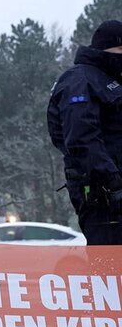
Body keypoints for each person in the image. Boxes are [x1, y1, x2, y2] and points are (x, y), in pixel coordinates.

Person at [48, 19, 122, 245]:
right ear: (110, 48)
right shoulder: (80, 81)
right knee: (111, 271)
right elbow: (81, 140)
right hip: (104, 198)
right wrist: (113, 183)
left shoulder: (111, 81)